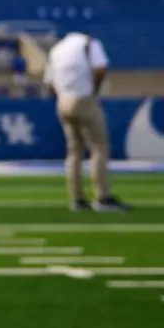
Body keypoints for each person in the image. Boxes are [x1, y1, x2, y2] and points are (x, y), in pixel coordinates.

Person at [43, 31, 129, 212]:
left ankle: (77, 199)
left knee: (74, 151)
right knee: (99, 147)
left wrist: (63, 93)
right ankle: (103, 197)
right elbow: (100, 68)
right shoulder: (89, 44)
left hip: (63, 101)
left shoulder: (57, 50)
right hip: (83, 98)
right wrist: (93, 90)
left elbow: (49, 82)